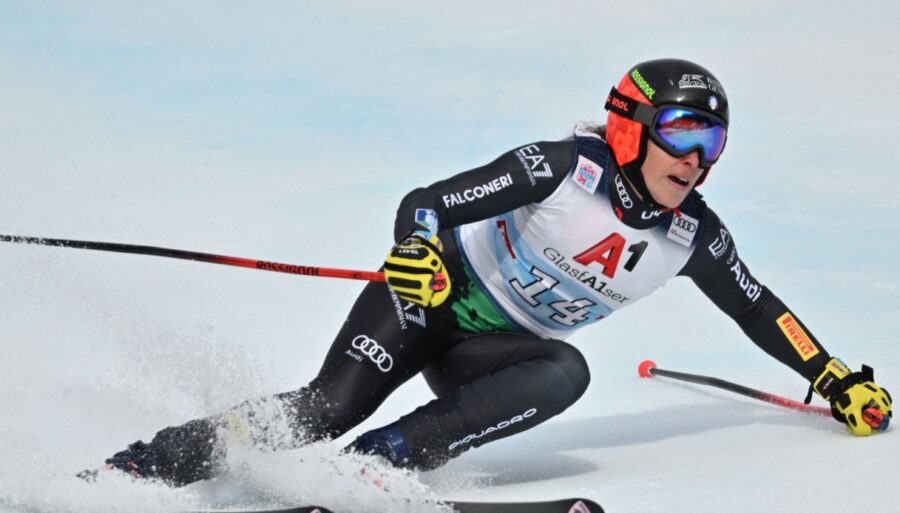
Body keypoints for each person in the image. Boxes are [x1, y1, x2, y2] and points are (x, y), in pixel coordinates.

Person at [95, 58, 892, 486]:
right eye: (682, 134)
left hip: (491, 357)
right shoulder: (562, 168)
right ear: (629, 129)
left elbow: (759, 309)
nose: (695, 160)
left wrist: (830, 376)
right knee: (322, 407)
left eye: (712, 145)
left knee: (568, 368)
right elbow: (429, 200)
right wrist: (414, 251)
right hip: (423, 304)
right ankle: (143, 464)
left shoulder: (692, 238)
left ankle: (374, 472)